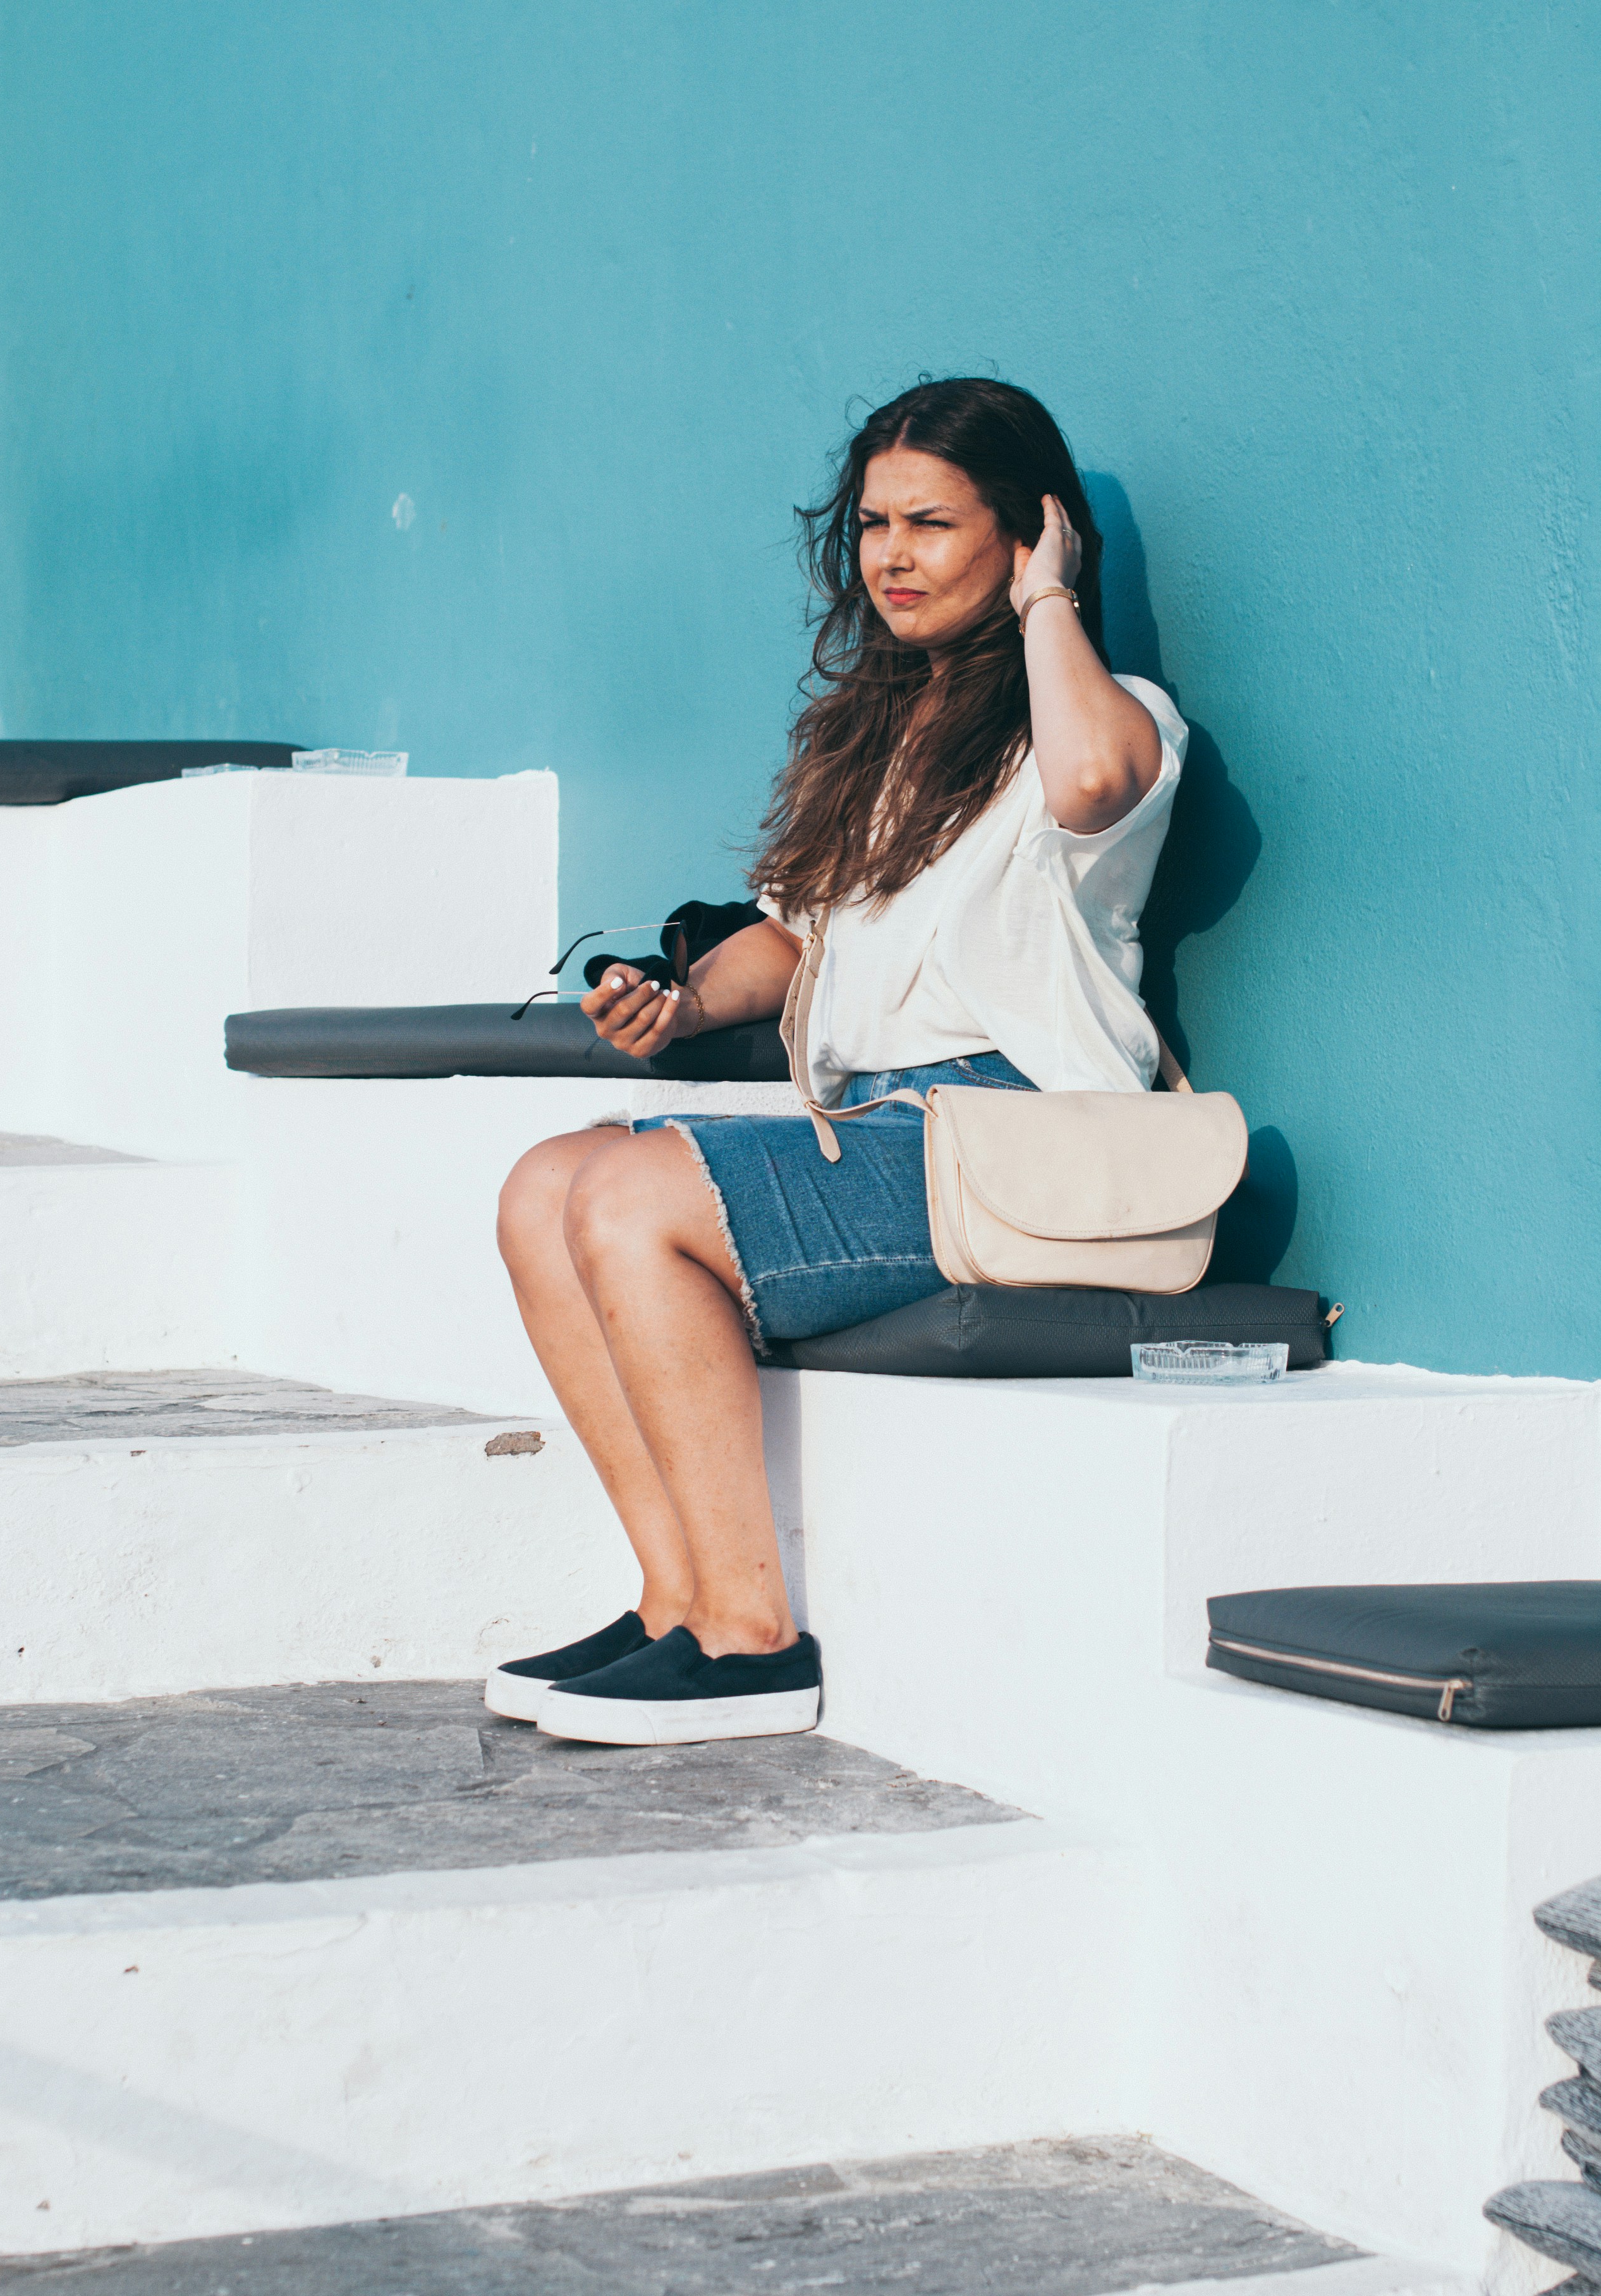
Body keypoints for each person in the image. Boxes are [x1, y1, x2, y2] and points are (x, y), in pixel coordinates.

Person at [489, 377, 1185, 1747]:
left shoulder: (1110, 716)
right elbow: (792, 940)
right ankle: (679, 1599)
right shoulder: (875, 745)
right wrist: (682, 1004)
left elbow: (1092, 788)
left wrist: (1056, 605)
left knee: (631, 1201)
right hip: (876, 1126)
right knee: (539, 1186)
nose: (893, 556)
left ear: (1030, 533)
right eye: (874, 523)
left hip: (1017, 1133)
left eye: (933, 522)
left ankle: (752, 1640)